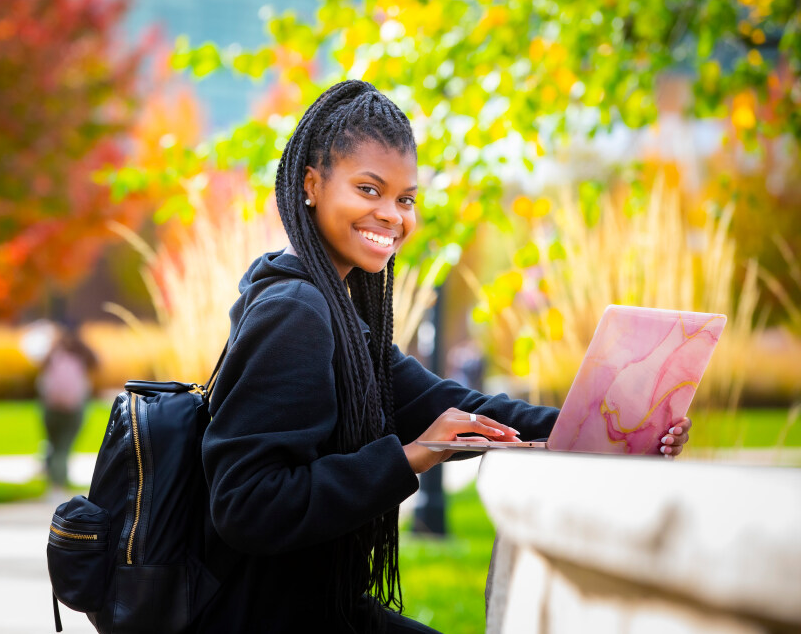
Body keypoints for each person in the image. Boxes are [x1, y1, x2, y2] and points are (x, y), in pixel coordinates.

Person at [194, 80, 691, 633]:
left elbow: (457, 403)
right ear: (311, 184)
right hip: (264, 620)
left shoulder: (331, 311)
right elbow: (246, 504)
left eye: (405, 198)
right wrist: (410, 458)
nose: (392, 215)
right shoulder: (295, 312)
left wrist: (609, 428)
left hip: (313, 609)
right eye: (368, 189)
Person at [37, 324, 98, 491]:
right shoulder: (83, 354)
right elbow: (98, 364)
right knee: (63, 447)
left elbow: (40, 368)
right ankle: (58, 483)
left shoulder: (53, 352)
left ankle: (51, 476)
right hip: (73, 408)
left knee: (53, 443)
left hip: (51, 406)